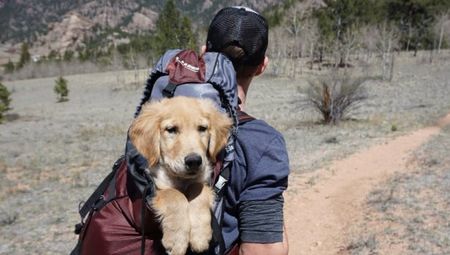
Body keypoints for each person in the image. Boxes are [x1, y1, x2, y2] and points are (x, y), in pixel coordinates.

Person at [204, 6, 290, 255]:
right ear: (262, 66)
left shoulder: (159, 114)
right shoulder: (262, 143)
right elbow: (263, 252)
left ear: (203, 54)